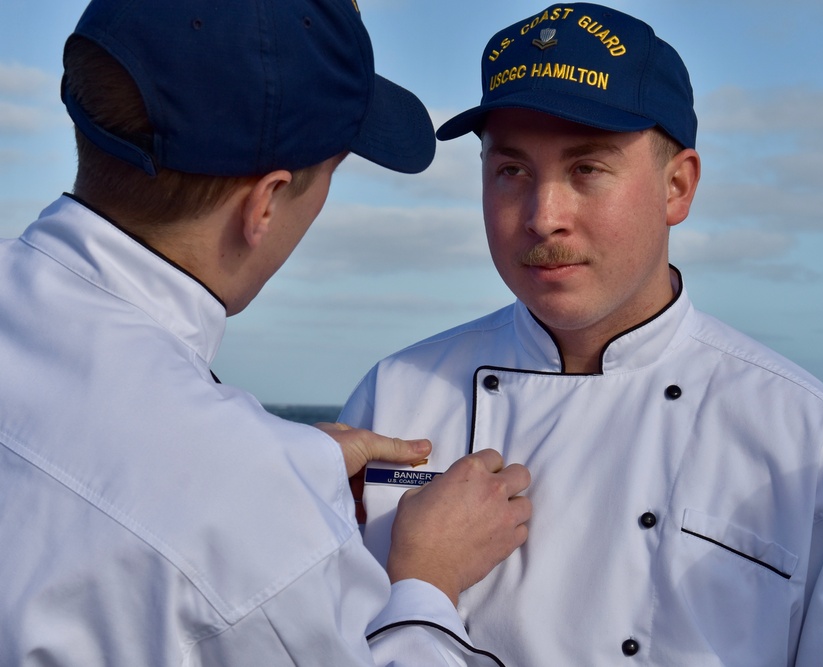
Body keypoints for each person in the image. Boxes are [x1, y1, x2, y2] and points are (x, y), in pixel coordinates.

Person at [339, 3, 823, 665]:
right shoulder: (395, 398)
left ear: (678, 185)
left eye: (587, 168)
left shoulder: (808, 441)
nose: (543, 217)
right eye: (511, 171)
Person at [0, 0, 531, 665]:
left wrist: (266, 462)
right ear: (266, 201)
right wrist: (426, 581)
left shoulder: (245, 485)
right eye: (328, 177)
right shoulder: (250, 516)